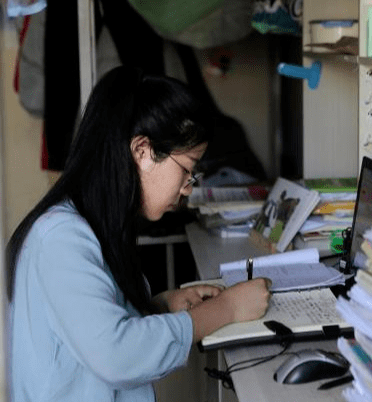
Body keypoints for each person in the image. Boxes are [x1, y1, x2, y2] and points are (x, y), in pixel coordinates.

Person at [6, 66, 272, 401]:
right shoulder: (61, 239)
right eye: (187, 170)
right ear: (142, 151)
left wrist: (158, 306)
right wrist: (226, 309)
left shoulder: (96, 224)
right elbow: (116, 355)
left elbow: (91, 324)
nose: (188, 188)